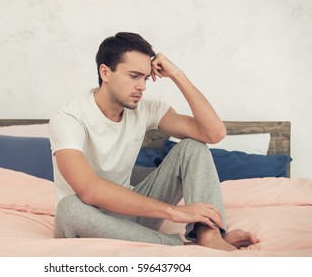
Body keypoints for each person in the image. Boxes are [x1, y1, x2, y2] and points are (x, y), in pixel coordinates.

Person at [49, 32, 258, 250]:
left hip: (130, 213)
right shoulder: (69, 119)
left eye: (145, 78)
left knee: (192, 147)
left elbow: (213, 133)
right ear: (105, 72)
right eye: (133, 76)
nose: (142, 86)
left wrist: (177, 74)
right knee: (69, 207)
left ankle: (209, 235)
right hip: (87, 219)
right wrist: (174, 212)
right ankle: (185, 245)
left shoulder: (146, 109)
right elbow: (89, 190)